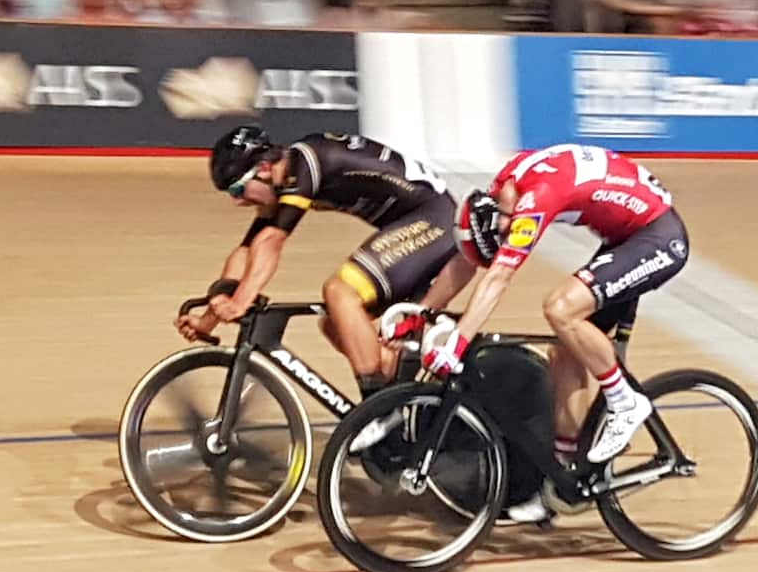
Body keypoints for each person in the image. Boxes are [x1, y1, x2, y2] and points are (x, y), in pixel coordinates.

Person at [401, 142, 690, 520]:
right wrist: (423, 313)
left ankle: (626, 402)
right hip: (624, 239)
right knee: (564, 353)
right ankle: (565, 483)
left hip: (658, 237)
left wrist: (458, 342)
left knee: (560, 308)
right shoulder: (504, 187)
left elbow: (500, 275)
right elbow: (470, 261)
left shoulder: (537, 198)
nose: (508, 235)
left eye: (505, 234)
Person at [176, 125, 467, 403]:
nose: (238, 203)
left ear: (264, 169)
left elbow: (271, 242)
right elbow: (247, 251)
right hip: (423, 224)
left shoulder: (306, 162)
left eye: (239, 190)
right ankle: (393, 402)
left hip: (435, 218)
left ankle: (376, 410)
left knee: (340, 291)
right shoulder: (285, 179)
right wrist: (209, 318)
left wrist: (240, 303)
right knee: (335, 322)